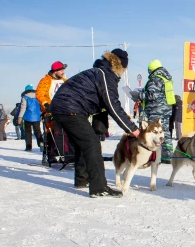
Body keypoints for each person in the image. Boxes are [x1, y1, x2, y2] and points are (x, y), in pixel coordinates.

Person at [51, 49, 139, 198]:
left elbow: (104, 105)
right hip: (69, 108)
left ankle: (82, 180)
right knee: (92, 144)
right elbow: (112, 104)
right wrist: (133, 129)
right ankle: (99, 187)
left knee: (83, 143)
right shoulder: (105, 74)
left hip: (63, 107)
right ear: (120, 65)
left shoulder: (97, 72)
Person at [130, 59, 175, 163]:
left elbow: (152, 95)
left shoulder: (155, 79)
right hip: (165, 109)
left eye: (149, 70)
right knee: (164, 132)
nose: (149, 73)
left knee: (153, 133)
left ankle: (155, 154)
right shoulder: (165, 78)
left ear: (152, 69)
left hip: (156, 110)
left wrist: (138, 95)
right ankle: (167, 155)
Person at [16, 85, 43, 151]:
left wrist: (20, 117)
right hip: (36, 117)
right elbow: (41, 106)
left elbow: (23, 108)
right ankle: (41, 143)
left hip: (27, 117)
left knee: (28, 132)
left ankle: (28, 146)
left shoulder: (25, 97)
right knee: (37, 131)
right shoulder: (38, 96)